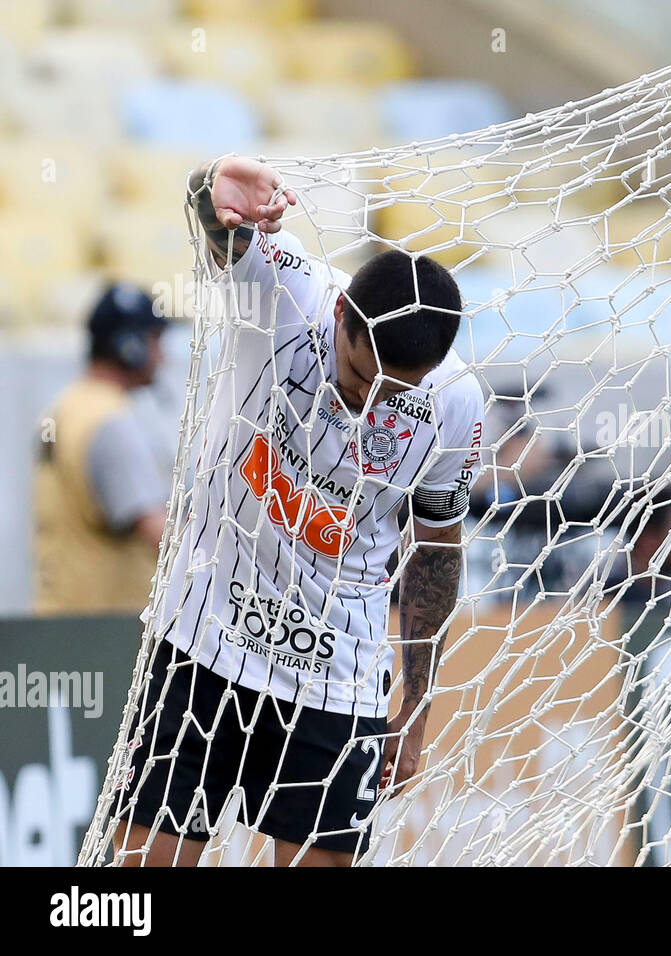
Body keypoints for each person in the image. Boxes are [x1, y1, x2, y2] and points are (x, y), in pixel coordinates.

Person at [114, 156, 485, 867]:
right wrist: (209, 185)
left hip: (334, 676)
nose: (368, 406)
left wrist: (416, 708)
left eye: (394, 396)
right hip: (206, 640)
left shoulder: (456, 404)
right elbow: (215, 219)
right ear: (342, 312)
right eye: (358, 379)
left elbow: (436, 548)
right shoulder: (285, 290)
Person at [33, 284, 170, 616]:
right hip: (108, 636)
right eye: (154, 341)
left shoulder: (66, 405)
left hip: (64, 622)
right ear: (130, 346)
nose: (161, 356)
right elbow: (163, 539)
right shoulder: (110, 421)